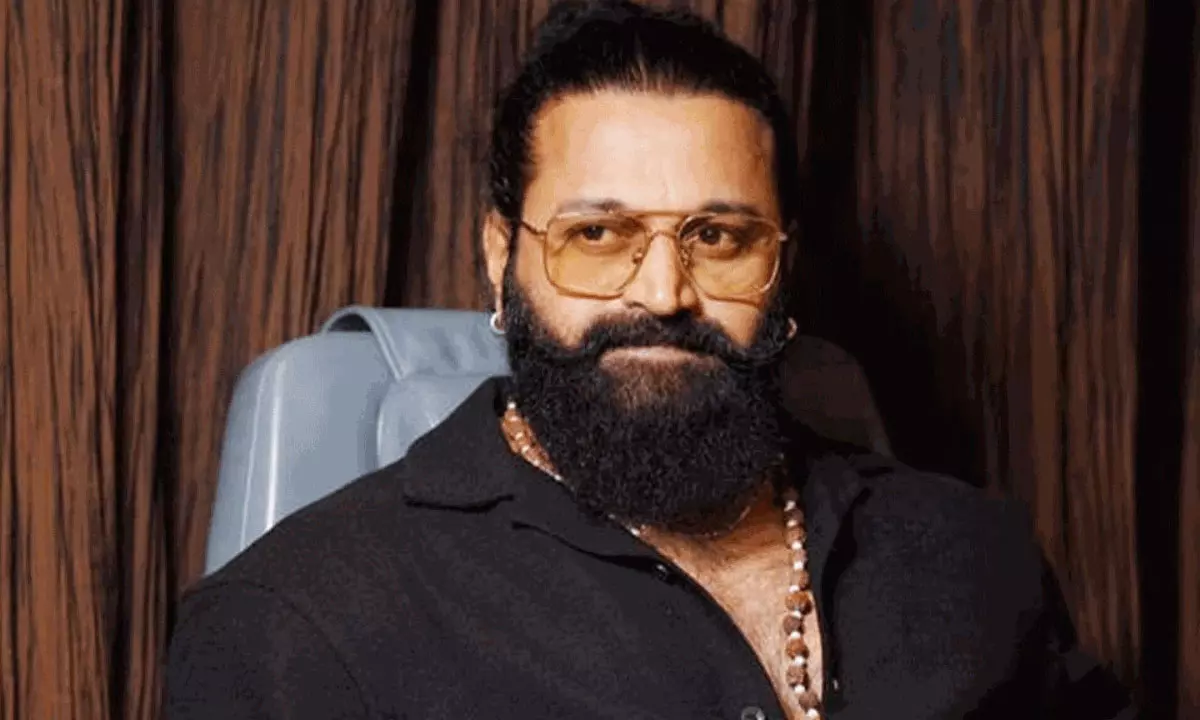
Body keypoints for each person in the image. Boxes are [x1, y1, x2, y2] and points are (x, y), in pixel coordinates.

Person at [164, 2, 1137, 718]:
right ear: (501, 256)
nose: (664, 293)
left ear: (782, 263)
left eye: (719, 237)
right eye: (597, 234)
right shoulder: (298, 623)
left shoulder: (973, 556)